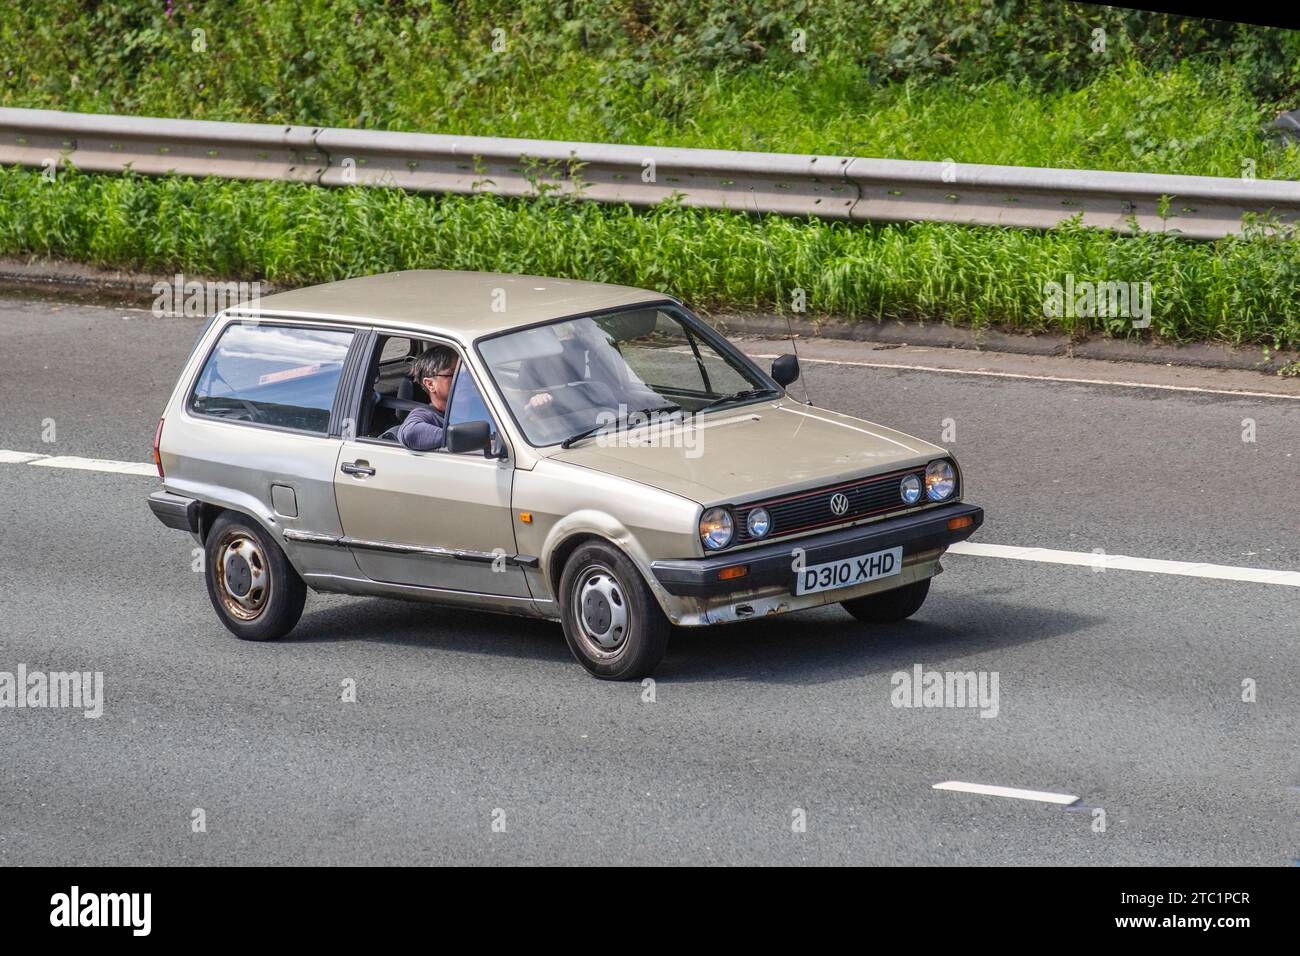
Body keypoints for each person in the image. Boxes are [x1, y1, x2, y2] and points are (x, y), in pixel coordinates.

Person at [398, 345, 458, 451]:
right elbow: (410, 433)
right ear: (430, 384)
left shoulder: (486, 402)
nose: (464, 379)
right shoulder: (428, 415)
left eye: (466, 373)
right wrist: (464, 438)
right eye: (453, 375)